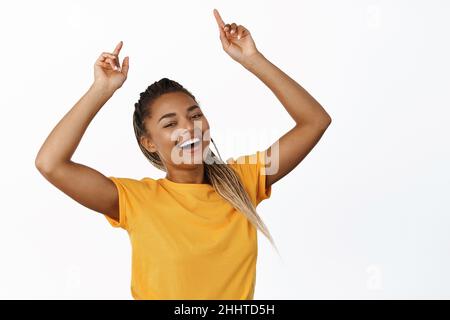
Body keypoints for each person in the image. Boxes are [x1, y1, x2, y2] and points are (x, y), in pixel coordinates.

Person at [35, 8, 332, 300]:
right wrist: (100, 90)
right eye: (170, 123)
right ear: (149, 142)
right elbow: (50, 164)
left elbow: (315, 121)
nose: (189, 128)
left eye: (195, 115)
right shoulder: (136, 199)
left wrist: (253, 59)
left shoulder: (241, 181)